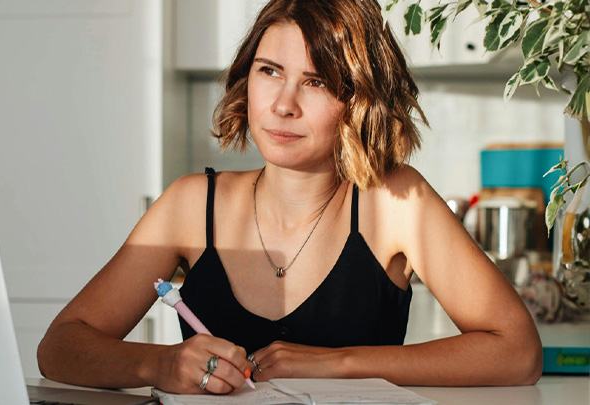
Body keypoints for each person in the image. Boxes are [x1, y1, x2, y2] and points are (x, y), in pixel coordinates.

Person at [37, 0, 542, 394]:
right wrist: (160, 363)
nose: (283, 105)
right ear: (246, 78)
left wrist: (339, 363)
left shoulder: (394, 200)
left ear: (359, 101)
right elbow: (60, 346)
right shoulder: (191, 205)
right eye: (269, 71)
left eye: (316, 81)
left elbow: (517, 353)